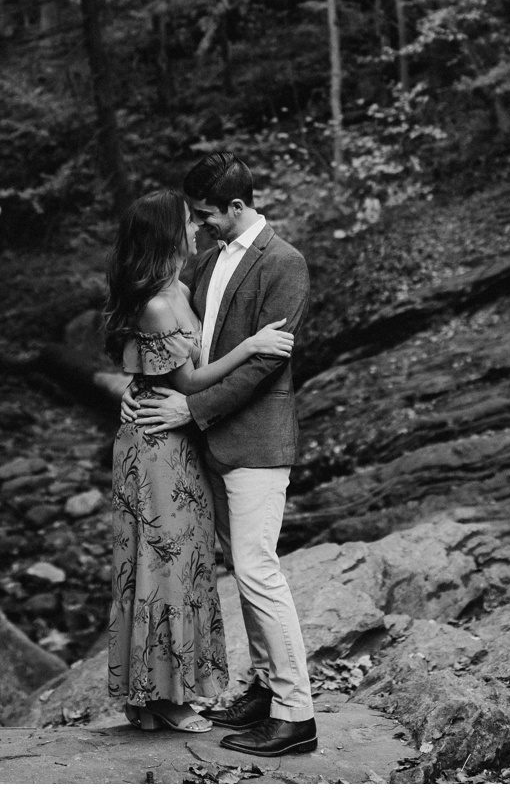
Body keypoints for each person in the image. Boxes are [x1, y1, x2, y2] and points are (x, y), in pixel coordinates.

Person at [126, 152, 318, 758]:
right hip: (209, 444)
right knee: (241, 569)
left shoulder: (285, 263)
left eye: (208, 214)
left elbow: (268, 360)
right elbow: (180, 345)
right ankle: (264, 687)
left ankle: (296, 715)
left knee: (260, 569)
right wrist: (141, 390)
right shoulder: (208, 261)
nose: (200, 224)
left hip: (257, 441)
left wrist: (192, 412)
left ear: (237, 207)